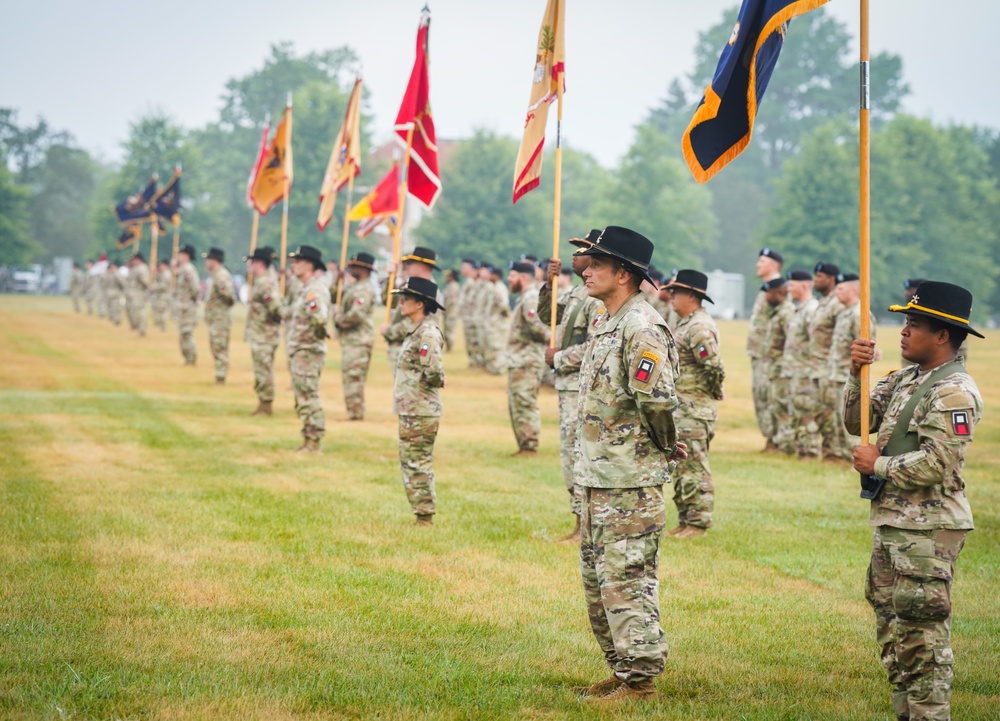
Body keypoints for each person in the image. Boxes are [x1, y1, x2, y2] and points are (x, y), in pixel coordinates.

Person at [845, 281, 983, 721]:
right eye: (904, 322)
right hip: (895, 522)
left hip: (927, 530)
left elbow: (938, 464)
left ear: (942, 335)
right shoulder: (905, 379)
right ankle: (905, 712)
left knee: (922, 636)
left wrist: (878, 467)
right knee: (893, 627)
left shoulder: (954, 391)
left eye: (914, 324)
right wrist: (855, 373)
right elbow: (857, 423)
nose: (903, 332)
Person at [573, 226, 685, 704]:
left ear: (624, 274)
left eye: (596, 262)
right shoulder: (607, 319)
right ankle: (621, 669)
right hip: (599, 475)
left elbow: (656, 399)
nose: (586, 268)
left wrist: (663, 447)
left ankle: (641, 682)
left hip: (628, 479)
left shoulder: (641, 326)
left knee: (627, 579)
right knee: (599, 581)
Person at [540, 230, 605, 543]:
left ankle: (586, 525)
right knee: (569, 454)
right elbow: (546, 315)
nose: (574, 257)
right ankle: (579, 520)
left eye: (581, 251)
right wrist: (548, 284)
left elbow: (594, 346)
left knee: (580, 454)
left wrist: (559, 357)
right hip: (567, 387)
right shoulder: (577, 293)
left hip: (581, 385)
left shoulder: (597, 300)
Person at [665, 269, 725, 539]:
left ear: (691, 295)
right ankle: (685, 519)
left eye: (675, 292)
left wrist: (711, 393)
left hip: (694, 409)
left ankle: (698, 523)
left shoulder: (699, 326)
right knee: (680, 466)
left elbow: (713, 366)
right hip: (683, 408)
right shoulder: (686, 323)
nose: (670, 297)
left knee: (695, 465)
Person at [391, 277, 446, 526]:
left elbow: (433, 370)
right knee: (411, 460)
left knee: (417, 461)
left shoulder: (427, 333)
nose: (401, 303)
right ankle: (421, 513)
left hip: (420, 408)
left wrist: (436, 381)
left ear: (420, 304)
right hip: (413, 407)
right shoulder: (416, 330)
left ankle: (424, 516)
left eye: (406, 299)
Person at [827, 273, 876, 460]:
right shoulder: (844, 312)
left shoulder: (860, 315)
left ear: (854, 290)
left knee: (851, 418)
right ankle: (840, 455)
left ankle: (853, 457)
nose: (836, 292)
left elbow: (866, 347)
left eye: (840, 288)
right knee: (838, 419)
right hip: (837, 374)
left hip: (850, 378)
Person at [286, 246, 330, 453]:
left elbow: (319, 318)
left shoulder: (314, 290)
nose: (293, 265)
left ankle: (314, 441)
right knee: (302, 396)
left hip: (308, 350)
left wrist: (321, 332)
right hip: (300, 349)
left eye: (297, 261)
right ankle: (307, 438)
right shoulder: (304, 289)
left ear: (309, 265)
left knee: (308, 395)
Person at [505, 260, 550, 456]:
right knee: (517, 402)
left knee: (524, 402)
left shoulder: (531, 297)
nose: (509, 279)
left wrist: (551, 340)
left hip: (527, 359)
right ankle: (524, 445)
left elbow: (538, 327)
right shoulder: (525, 296)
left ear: (523, 278)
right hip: (520, 359)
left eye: (512, 276)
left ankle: (529, 446)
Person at [803, 262, 845, 458]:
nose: (815, 280)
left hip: (830, 368)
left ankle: (836, 452)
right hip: (817, 368)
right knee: (821, 412)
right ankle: (828, 450)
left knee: (832, 413)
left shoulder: (837, 303)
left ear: (831, 279)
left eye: (819, 276)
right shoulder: (824, 302)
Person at [778, 269, 819, 454]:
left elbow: (816, 343)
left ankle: (810, 451)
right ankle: (800, 448)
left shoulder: (811, 310)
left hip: (805, 373)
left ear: (804, 286)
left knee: (806, 415)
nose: (788, 289)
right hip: (794, 372)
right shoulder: (798, 309)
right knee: (797, 413)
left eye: (792, 285)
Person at [381, 247, 440, 375]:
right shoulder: (409, 287)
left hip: (414, 350)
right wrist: (390, 277)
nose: (405, 267)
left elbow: (419, 323)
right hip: (401, 347)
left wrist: (389, 331)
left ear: (423, 267)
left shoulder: (430, 292)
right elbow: (388, 301)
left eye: (410, 264)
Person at [333, 252, 377, 421]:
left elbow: (356, 315)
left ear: (364, 269)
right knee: (350, 376)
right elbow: (333, 294)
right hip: (352, 339)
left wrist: (339, 320)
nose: (350, 269)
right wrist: (337, 281)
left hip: (359, 339)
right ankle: (353, 410)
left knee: (354, 377)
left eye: (354, 266)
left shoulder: (364, 289)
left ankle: (356, 413)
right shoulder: (354, 286)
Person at [747, 248, 784, 441]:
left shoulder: (778, 289)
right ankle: (771, 438)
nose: (758, 264)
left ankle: (775, 439)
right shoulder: (767, 287)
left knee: (770, 397)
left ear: (773, 265)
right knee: (761, 396)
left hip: (770, 356)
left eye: (762, 261)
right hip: (759, 352)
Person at [245, 247, 282, 416]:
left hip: (265, 334)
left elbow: (275, 307)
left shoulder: (265, 282)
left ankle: (266, 405)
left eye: (252, 262)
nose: (250, 266)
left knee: (264, 370)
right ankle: (262, 402)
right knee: (261, 369)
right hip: (261, 333)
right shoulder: (262, 280)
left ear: (258, 263)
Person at [759, 277, 794, 451]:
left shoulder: (787, 312)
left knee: (782, 407)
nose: (766, 297)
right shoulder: (776, 312)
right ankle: (773, 442)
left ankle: (785, 445)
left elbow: (792, 343)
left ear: (781, 293)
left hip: (782, 369)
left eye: (770, 294)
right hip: (773, 368)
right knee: (772, 405)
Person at [203, 247, 236, 384]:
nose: (206, 262)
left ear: (215, 260)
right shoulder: (216, 275)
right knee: (215, 346)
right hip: (216, 317)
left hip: (220, 318)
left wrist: (221, 309)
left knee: (219, 346)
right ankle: (219, 373)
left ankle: (221, 376)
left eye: (208, 259)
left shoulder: (221, 275)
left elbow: (228, 294)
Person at [481, 264, 511, 376]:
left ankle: (498, 368)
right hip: (492, 322)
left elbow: (503, 305)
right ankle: (493, 366)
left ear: (496, 276)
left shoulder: (500, 288)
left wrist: (504, 316)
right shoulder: (494, 287)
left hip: (498, 323)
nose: (489, 276)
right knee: (491, 346)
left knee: (497, 346)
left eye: (491, 274)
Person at [174, 245, 200, 366]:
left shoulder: (189, 269)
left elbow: (195, 288)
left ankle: (191, 358)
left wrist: (191, 302)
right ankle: (187, 358)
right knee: (183, 334)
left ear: (186, 256)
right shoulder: (183, 269)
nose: (178, 256)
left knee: (187, 333)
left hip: (187, 307)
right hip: (183, 306)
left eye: (181, 254)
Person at [459, 259, 483, 368]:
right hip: (467, 316)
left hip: (472, 316)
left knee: (474, 340)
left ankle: (477, 361)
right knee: (469, 340)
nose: (462, 269)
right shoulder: (468, 282)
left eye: (465, 267)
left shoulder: (473, 283)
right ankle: (473, 361)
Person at [126, 253, 150, 336]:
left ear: (139, 260)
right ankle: (138, 327)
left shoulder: (142, 268)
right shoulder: (134, 268)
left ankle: (142, 329)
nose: (133, 262)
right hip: (133, 294)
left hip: (139, 294)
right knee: (134, 312)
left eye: (134, 260)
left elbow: (146, 282)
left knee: (140, 312)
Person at [440, 269, 461, 352]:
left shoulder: (454, 286)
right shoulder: (449, 286)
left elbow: (451, 301)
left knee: (450, 330)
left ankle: (450, 347)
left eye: (448, 276)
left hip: (451, 312)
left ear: (452, 277)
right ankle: (448, 346)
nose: (446, 278)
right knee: (446, 329)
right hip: (447, 312)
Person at [150, 259, 172, 331]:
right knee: (160, 311)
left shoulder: (167, 274)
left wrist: (155, 286)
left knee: (163, 311)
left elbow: (164, 285)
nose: (161, 267)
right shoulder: (163, 273)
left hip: (164, 295)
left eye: (162, 265)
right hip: (161, 296)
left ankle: (163, 326)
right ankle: (161, 326)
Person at [104, 262, 125, 326]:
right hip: (109, 293)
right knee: (110, 307)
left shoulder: (116, 274)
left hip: (115, 293)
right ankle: (112, 317)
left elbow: (122, 283)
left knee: (116, 307)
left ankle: (117, 319)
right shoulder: (107, 275)